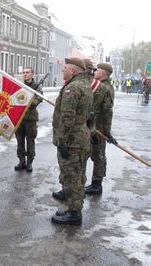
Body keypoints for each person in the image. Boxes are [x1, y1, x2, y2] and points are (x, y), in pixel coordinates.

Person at [51, 58, 93, 225]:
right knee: (79, 173)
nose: (63, 71)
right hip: (80, 137)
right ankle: (75, 207)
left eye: (65, 69)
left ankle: (74, 213)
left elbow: (67, 117)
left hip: (72, 139)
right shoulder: (85, 85)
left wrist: (61, 141)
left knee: (72, 176)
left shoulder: (73, 88)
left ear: (73, 71)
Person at [85, 63, 116, 195]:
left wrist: (105, 131)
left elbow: (106, 112)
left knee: (98, 156)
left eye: (97, 71)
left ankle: (97, 185)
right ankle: (95, 184)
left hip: (98, 128)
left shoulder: (104, 88)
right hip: (96, 126)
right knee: (97, 156)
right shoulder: (105, 86)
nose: (94, 73)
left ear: (102, 73)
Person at [14, 67, 43, 172]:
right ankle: (21, 161)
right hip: (19, 118)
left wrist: (27, 96)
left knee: (30, 141)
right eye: (24, 73)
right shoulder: (20, 86)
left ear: (32, 74)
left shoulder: (37, 88)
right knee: (19, 141)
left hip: (31, 119)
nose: (25, 74)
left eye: (27, 72)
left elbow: (35, 102)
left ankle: (29, 162)